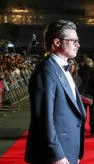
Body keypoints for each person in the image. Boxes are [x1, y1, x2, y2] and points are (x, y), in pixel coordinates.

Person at [25, 20, 85, 164]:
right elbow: (43, 118)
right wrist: (56, 155)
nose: (78, 45)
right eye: (73, 41)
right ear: (57, 42)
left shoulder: (61, 67)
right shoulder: (46, 71)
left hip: (68, 147)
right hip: (55, 154)